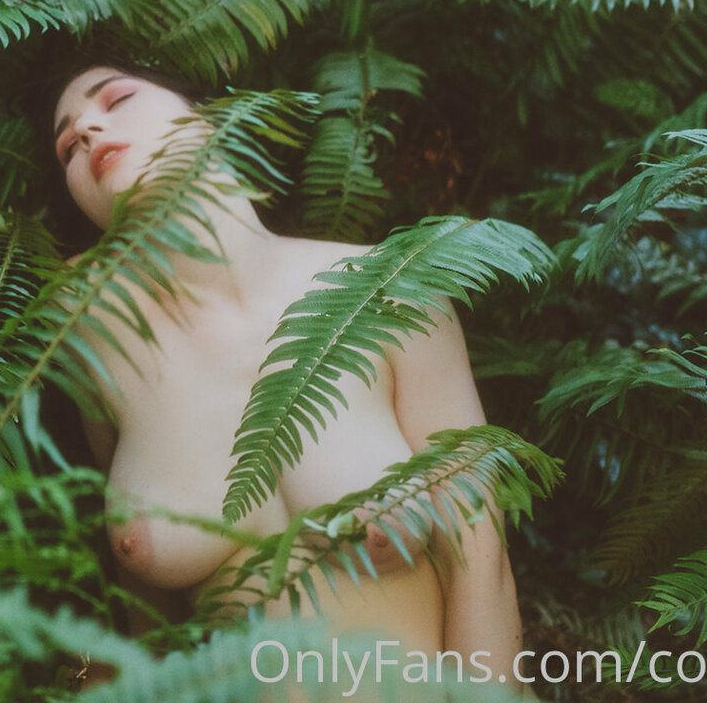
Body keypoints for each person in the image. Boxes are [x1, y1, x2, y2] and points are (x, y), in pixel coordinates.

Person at [40, 59, 525, 692]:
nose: (87, 132)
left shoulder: (389, 292)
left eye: (117, 99)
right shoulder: (96, 350)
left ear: (209, 117)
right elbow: (145, 628)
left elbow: (481, 564)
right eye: (67, 147)